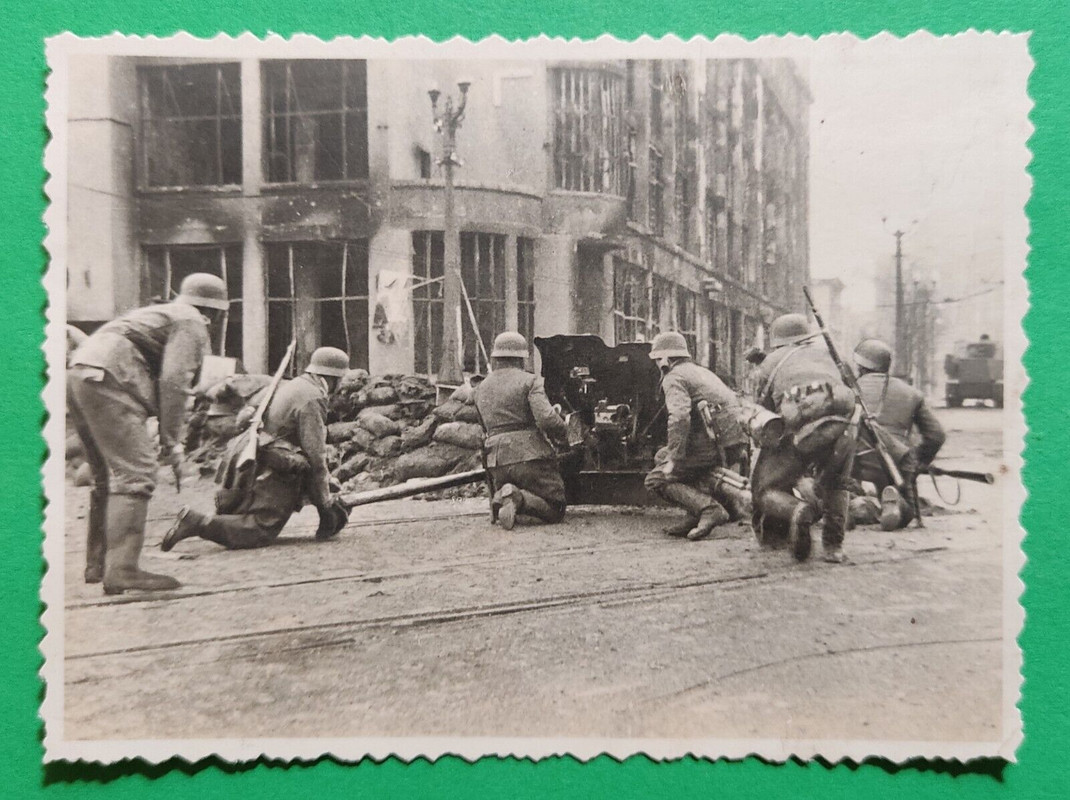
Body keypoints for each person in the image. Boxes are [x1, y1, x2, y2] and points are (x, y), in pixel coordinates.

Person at [67, 273, 228, 593]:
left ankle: (98, 565)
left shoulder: (163, 314)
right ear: (215, 311)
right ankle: (123, 568)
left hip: (80, 374)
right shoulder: (192, 322)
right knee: (137, 473)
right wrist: (173, 445)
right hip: (112, 379)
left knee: (104, 477)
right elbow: (173, 382)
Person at [161, 347, 351, 551]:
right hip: (274, 468)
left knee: (241, 514)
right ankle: (194, 522)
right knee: (259, 529)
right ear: (335, 378)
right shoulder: (313, 398)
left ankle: (207, 521)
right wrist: (325, 500)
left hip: (254, 459)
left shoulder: (296, 384)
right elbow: (316, 455)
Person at [751, 313, 856, 563]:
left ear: (777, 339)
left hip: (796, 434)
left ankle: (797, 510)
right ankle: (833, 547)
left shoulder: (771, 362)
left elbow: (763, 411)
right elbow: (853, 390)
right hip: (841, 430)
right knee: (839, 485)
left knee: (765, 488)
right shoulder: (833, 354)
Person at [642, 331, 749, 541]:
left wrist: (674, 457)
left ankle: (709, 509)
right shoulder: (700, 372)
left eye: (657, 359)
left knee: (656, 479)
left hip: (713, 443)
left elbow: (680, 417)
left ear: (665, 359)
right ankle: (695, 513)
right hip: (732, 442)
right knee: (660, 457)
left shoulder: (674, 377)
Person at [473, 332, 569, 530]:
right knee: (555, 507)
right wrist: (565, 431)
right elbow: (546, 419)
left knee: (520, 484)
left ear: (495, 358)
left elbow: (483, 428)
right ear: (521, 359)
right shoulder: (530, 381)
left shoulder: (480, 387)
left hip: (496, 462)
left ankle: (507, 495)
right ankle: (517, 498)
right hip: (529, 456)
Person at [851, 337, 946, 529]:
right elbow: (936, 435)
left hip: (856, 462)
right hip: (897, 464)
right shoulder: (912, 393)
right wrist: (919, 460)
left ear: (861, 367)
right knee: (907, 511)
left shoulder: (847, 391)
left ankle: (856, 505)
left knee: (839, 489)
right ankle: (894, 505)